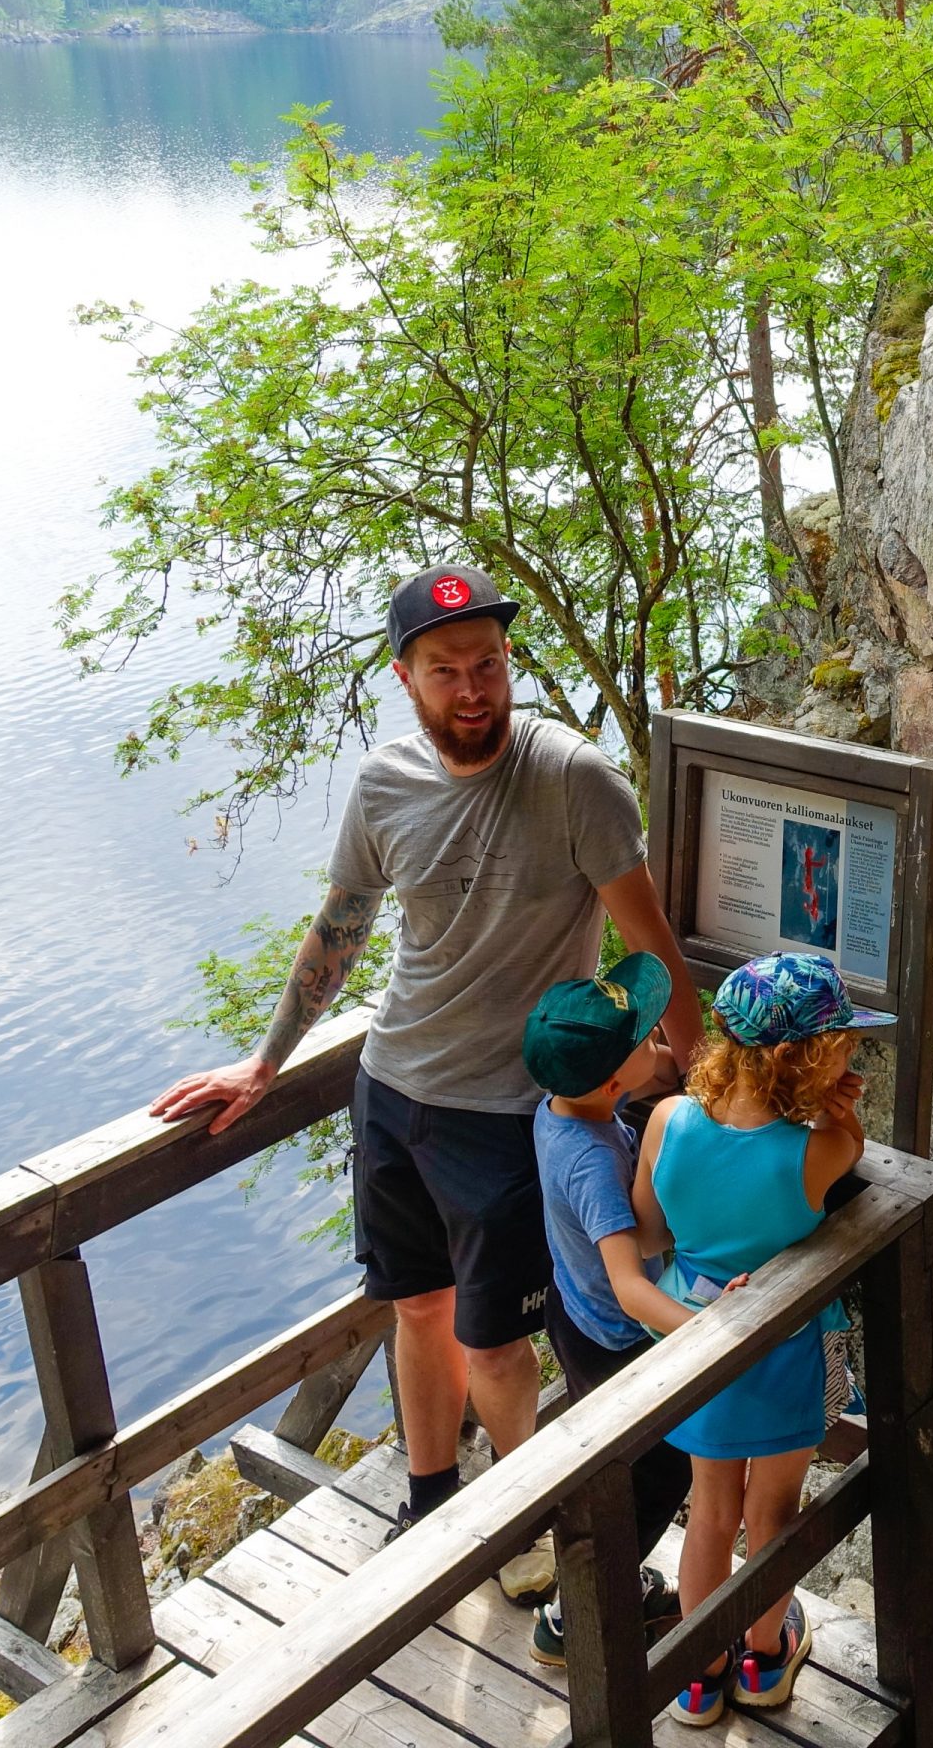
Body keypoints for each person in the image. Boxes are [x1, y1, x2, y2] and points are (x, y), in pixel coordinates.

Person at [148, 562, 704, 1561]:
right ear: (406, 676)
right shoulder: (385, 784)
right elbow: (342, 927)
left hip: (504, 1109)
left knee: (495, 1336)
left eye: (487, 663)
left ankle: (542, 1525)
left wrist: (705, 1094)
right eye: (446, 669)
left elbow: (652, 949)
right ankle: (434, 1497)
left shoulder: (574, 779)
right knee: (415, 1302)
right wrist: (266, 1063)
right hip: (392, 1089)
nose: (473, 687)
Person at [634, 952, 884, 1727]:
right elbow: (855, 1149)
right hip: (786, 1354)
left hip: (699, 1349)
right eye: (841, 1043)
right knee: (772, 1508)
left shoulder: (668, 1121)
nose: (850, 1052)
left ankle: (699, 1674)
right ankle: (765, 1655)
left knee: (710, 1510)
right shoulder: (814, 1152)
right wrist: (838, 1109)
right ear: (795, 1057)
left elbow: (648, 1229)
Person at [518, 951, 698, 1666]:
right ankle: (571, 1618)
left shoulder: (559, 1110)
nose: (664, 1046)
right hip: (618, 1337)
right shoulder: (592, 1159)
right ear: (616, 1078)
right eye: (650, 1041)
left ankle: (598, 1583)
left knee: (619, 1470)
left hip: (574, 1314)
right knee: (660, 1475)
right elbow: (628, 1282)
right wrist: (714, 1335)